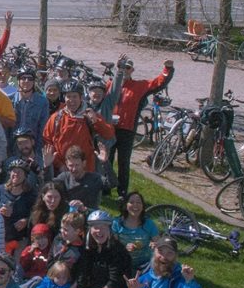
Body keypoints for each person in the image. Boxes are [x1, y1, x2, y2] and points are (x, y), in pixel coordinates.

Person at [59, 210, 133, 288]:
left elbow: (113, 285)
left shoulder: (118, 252)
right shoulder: (89, 248)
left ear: (110, 229)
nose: (99, 231)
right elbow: (82, 273)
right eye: (95, 228)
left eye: (103, 227)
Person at [110, 58, 174, 198]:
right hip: (108, 129)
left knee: (123, 162)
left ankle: (122, 192)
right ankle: (105, 189)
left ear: (132, 70)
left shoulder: (139, 86)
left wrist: (167, 69)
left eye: (127, 68)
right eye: (121, 67)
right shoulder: (109, 84)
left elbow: (159, 83)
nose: (124, 70)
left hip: (127, 130)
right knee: (106, 160)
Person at [42, 80, 115, 175]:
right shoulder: (56, 118)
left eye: (75, 96)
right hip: (62, 170)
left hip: (85, 170)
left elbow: (109, 134)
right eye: (68, 96)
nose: (71, 100)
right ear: (64, 98)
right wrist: (59, 165)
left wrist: (96, 121)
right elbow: (47, 142)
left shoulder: (90, 115)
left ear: (81, 98)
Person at [112, 191, 160, 269]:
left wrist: (155, 244)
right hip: (122, 262)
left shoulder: (149, 223)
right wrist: (124, 248)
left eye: (138, 202)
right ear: (126, 205)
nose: (135, 205)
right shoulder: (116, 223)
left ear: (143, 206)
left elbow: (159, 243)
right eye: (131, 202)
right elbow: (113, 246)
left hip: (145, 264)